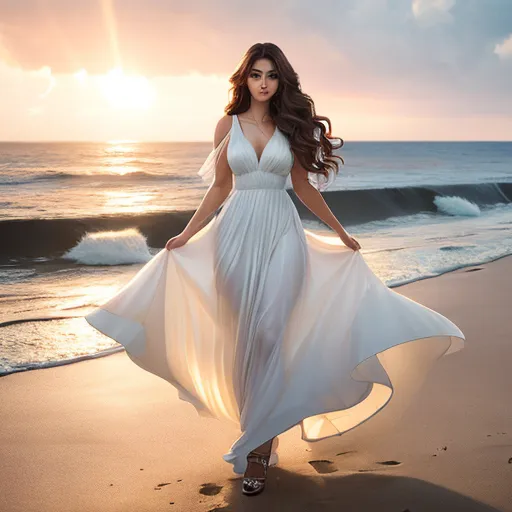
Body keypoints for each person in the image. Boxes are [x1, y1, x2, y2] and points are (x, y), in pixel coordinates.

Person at [85, 42, 465, 497]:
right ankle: (262, 433)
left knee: (270, 335)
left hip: (282, 232)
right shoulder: (227, 125)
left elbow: (302, 187)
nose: (263, 83)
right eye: (255, 75)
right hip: (234, 236)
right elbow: (221, 187)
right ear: (244, 79)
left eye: (271, 76)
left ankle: (257, 454)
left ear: (281, 81)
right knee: (244, 341)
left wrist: (340, 232)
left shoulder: (291, 125)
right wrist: (187, 234)